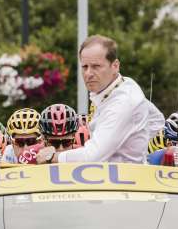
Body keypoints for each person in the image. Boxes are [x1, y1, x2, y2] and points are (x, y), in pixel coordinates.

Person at [55, 35, 164, 164]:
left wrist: (53, 156)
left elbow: (92, 157)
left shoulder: (122, 102)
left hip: (122, 181)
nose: (88, 73)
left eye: (96, 66)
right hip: (115, 177)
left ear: (115, 66)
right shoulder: (125, 85)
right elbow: (157, 120)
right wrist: (131, 141)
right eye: (85, 67)